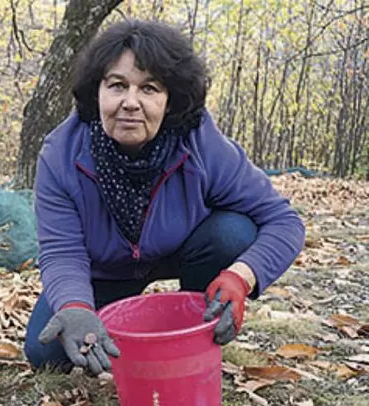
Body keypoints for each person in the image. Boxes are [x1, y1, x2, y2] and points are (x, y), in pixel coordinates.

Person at [24, 19, 306, 376]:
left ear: (170, 100)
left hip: (181, 252)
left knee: (233, 233)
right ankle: (118, 318)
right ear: (97, 92)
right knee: (45, 351)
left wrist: (241, 277)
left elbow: (283, 220)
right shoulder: (60, 153)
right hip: (104, 270)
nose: (130, 102)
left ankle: (197, 325)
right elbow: (62, 250)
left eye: (149, 89)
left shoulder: (199, 141)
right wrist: (76, 306)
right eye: (117, 85)